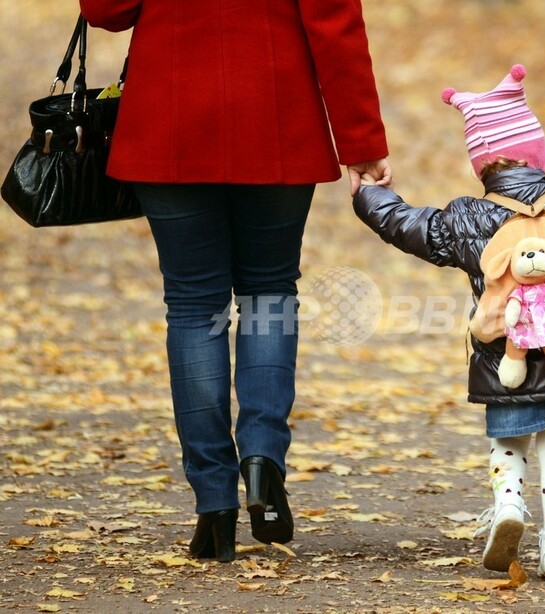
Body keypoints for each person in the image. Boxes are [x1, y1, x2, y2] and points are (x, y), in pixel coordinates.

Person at [80, 0, 391, 563]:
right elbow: (335, 24)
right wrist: (361, 141)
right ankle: (263, 460)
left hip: (169, 119)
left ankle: (214, 505)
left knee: (193, 305)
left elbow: (104, 10)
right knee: (269, 293)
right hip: (277, 117)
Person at [353, 65, 545, 581]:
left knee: (508, 441)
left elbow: (408, 226)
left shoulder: (468, 217)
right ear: (538, 155)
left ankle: (509, 504)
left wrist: (369, 195)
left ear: (481, 167)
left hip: (502, 359)